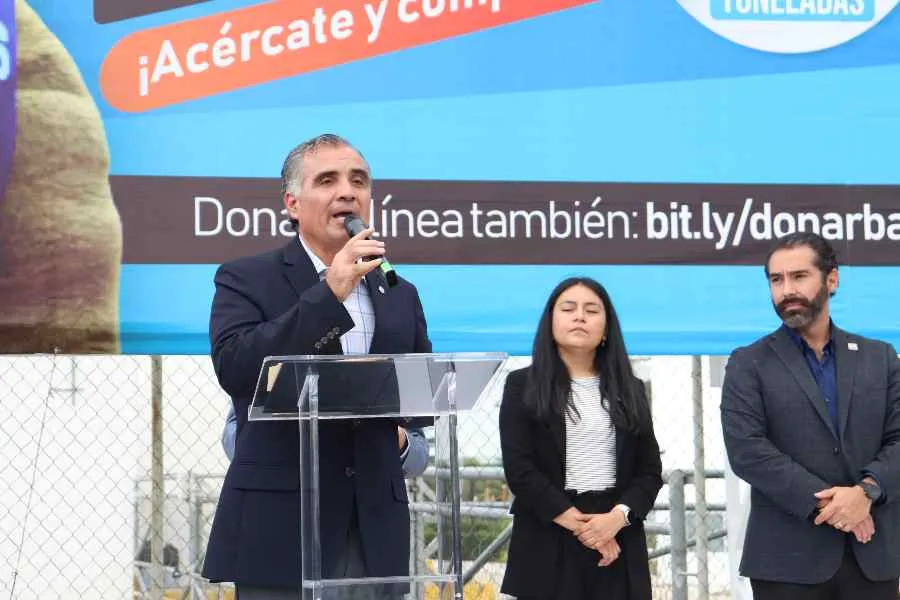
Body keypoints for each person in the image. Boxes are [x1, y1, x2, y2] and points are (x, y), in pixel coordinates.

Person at [202, 134, 433, 599]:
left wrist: (406, 435)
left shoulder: (399, 292)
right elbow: (237, 367)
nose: (347, 192)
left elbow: (422, 390)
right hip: (282, 528)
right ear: (292, 203)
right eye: (327, 180)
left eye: (358, 181)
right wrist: (330, 291)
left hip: (374, 530)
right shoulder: (245, 278)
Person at [721, 232, 900, 600]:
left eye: (799, 276)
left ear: (831, 280)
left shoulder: (880, 358)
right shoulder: (748, 363)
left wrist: (866, 492)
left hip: (873, 556)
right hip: (787, 561)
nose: (787, 289)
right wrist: (837, 506)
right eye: (776, 279)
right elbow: (748, 451)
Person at [499, 277, 663, 600]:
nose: (579, 317)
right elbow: (520, 470)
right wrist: (586, 529)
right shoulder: (522, 385)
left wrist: (616, 520)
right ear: (551, 322)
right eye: (568, 308)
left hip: (618, 538)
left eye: (591, 310)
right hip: (549, 533)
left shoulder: (631, 389)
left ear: (606, 329)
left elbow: (649, 471)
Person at [220, 404, 430, 478]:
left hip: (369, 521)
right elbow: (233, 437)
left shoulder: (391, 334)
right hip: (287, 509)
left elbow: (418, 454)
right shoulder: (277, 333)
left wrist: (398, 441)